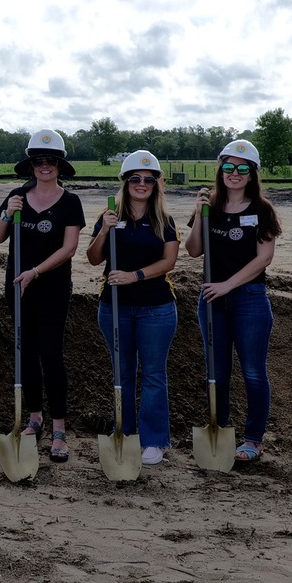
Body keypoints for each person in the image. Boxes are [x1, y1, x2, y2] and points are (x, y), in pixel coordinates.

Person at [0, 131, 85, 459]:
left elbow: (69, 248)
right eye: (39, 161)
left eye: (51, 161)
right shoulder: (17, 195)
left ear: (60, 166)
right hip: (17, 287)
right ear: (31, 165)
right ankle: (34, 419)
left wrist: (36, 271)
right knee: (25, 353)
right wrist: (6, 214)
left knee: (51, 355)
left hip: (52, 288)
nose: (45, 166)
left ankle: (59, 429)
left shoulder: (71, 202)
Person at [184, 138, 279, 463]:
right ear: (221, 170)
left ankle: (253, 439)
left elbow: (263, 258)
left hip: (249, 299)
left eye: (242, 168)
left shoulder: (262, 210)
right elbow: (193, 250)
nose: (234, 173)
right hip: (212, 300)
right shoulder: (209, 205)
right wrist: (199, 214)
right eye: (228, 167)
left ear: (252, 174)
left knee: (253, 372)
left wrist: (228, 285)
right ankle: (219, 429)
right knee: (217, 371)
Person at [86, 151, 180, 465]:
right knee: (122, 374)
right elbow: (94, 258)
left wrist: (134, 276)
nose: (141, 184)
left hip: (157, 308)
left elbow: (169, 261)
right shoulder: (108, 216)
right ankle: (124, 433)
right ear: (125, 182)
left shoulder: (164, 220)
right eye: (135, 179)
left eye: (148, 179)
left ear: (157, 184)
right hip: (114, 308)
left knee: (153, 374)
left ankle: (154, 440)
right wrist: (104, 231)